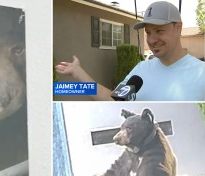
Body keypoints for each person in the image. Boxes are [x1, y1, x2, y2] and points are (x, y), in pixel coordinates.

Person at [55, 1, 205, 101]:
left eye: (159, 31)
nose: (152, 40)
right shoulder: (140, 71)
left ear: (178, 28)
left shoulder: (201, 74)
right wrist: (78, 72)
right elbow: (113, 100)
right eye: (148, 33)